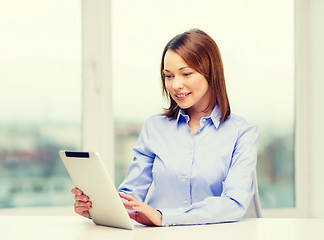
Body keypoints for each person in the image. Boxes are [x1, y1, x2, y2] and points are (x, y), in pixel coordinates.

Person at [71, 29, 258, 227]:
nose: (176, 84)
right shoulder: (154, 127)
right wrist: (97, 207)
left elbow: (234, 204)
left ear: (211, 72)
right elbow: (131, 194)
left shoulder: (242, 132)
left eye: (186, 73)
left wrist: (163, 217)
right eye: (169, 76)